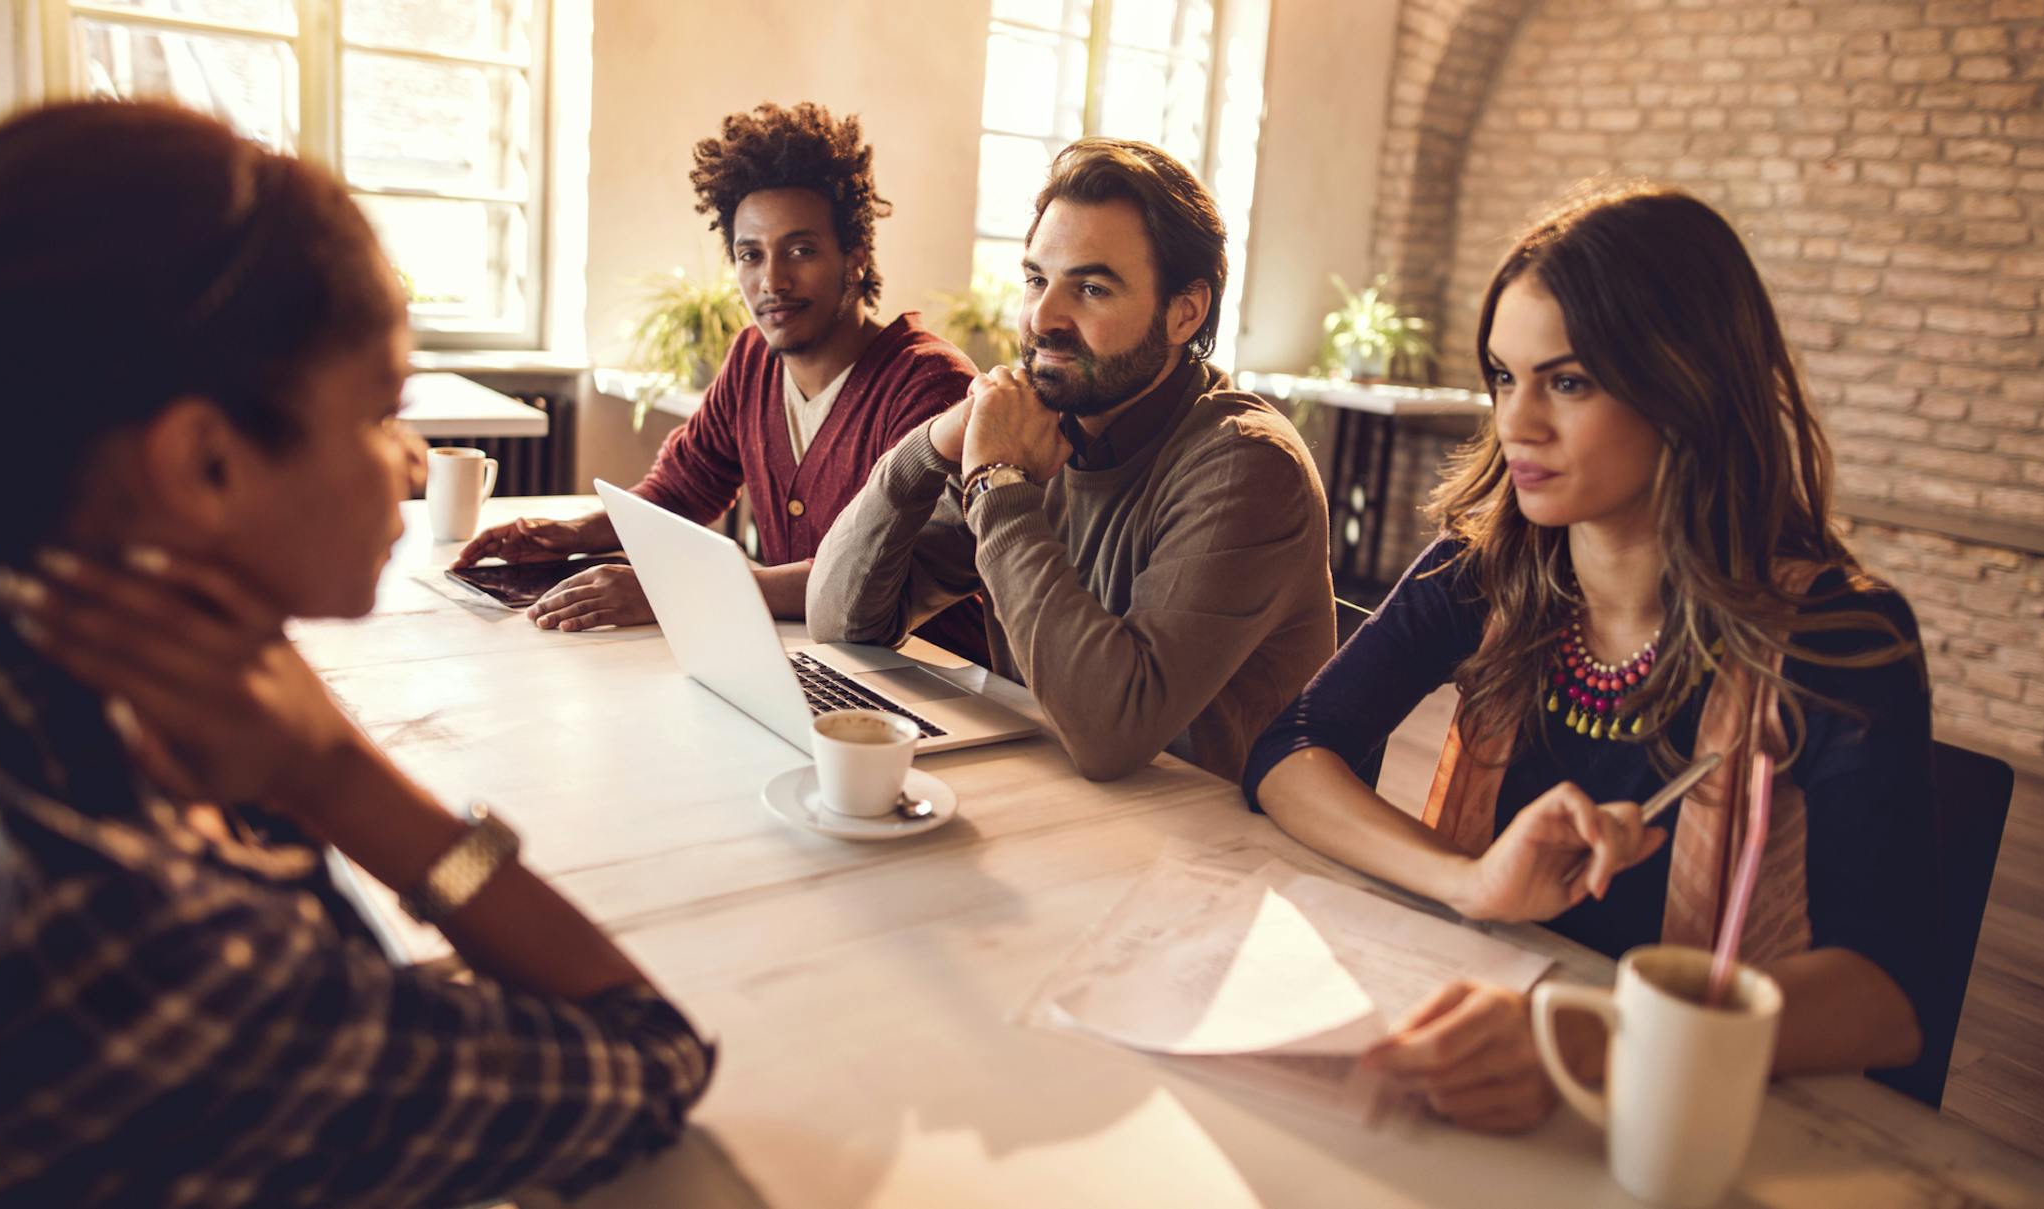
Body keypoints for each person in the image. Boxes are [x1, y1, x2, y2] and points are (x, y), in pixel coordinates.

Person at [0, 101, 712, 1207]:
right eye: (382, 410)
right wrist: (336, 772)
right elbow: (648, 1053)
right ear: (205, 462)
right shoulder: (179, 990)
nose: (414, 462)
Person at [1244, 184, 1943, 1132]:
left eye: (1567, 382)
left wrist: (1605, 1037)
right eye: (1503, 377)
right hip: (1474, 1058)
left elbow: (1891, 994)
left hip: (1693, 1122)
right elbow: (1290, 749)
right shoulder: (1481, 567)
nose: (1517, 424)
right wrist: (1468, 879)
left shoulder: (1838, 637)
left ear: (1686, 386)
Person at [807, 139, 1334, 782]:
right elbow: (838, 620)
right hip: (1049, 796)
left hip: (1204, 846)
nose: (1043, 318)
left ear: (1183, 313)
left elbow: (1112, 735)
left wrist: (1000, 485)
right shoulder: (1042, 424)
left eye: (1090, 287)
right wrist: (934, 445)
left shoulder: (1245, 465)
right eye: (1036, 280)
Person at [454, 101, 985, 659]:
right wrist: (572, 534)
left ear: (853, 258)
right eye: (750, 255)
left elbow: (879, 578)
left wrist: (674, 589)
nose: (772, 280)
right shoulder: (752, 358)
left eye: (800, 250)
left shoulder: (930, 384)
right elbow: (684, 488)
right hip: (813, 659)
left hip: (931, 677)